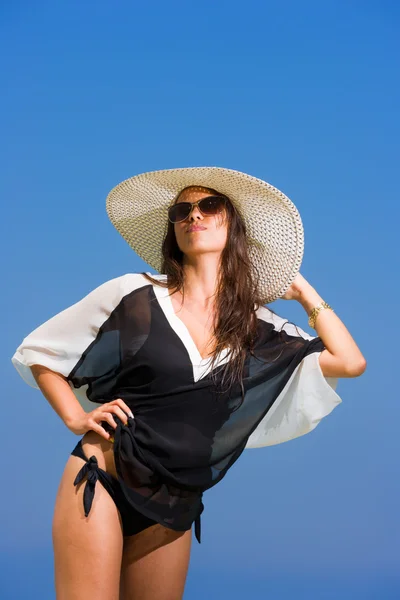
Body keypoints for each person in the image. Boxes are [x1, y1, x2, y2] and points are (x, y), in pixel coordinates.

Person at [12, 166, 366, 600]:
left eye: (209, 205)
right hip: (102, 475)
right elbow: (40, 353)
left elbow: (349, 363)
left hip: (174, 501)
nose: (193, 215)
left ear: (233, 223)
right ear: (173, 230)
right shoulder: (134, 294)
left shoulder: (259, 331)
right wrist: (75, 416)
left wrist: (307, 294)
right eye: (183, 210)